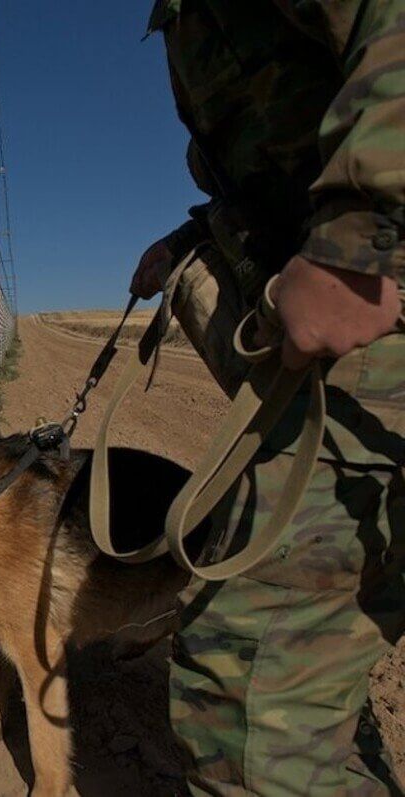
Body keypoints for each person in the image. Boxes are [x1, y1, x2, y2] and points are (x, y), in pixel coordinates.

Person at [132, 2, 404, 794]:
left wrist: (357, 237)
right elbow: (276, 159)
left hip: (379, 299)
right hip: (348, 322)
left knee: (250, 705)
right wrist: (188, 242)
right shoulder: (182, 19)